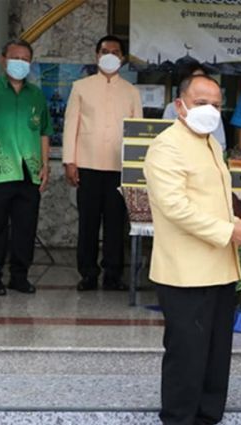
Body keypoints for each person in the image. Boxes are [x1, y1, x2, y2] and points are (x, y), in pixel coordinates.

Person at [144, 74, 241, 425]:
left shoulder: (212, 144)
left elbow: (213, 201)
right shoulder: (165, 148)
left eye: (216, 104)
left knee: (217, 357)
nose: (210, 111)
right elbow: (175, 207)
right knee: (186, 357)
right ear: (180, 104)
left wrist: (240, 221)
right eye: (201, 102)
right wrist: (230, 231)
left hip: (219, 267)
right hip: (184, 272)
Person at [62, 35, 143, 291]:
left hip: (119, 168)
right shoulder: (81, 86)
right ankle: (87, 273)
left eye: (115, 51)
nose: (110, 55)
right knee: (88, 222)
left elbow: (137, 131)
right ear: (97, 55)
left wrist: (135, 168)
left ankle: (113, 274)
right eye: (105, 50)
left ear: (123, 58)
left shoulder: (131, 92)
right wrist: (69, 161)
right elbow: (70, 125)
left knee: (115, 224)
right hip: (87, 164)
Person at [0, 39, 53, 296]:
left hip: (29, 172)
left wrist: (45, 166)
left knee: (25, 228)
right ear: (2, 59)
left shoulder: (37, 94)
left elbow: (44, 132)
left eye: (25, 59)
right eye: (14, 57)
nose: (19, 63)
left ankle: (19, 276)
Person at [162, 60, 226, 151]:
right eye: (200, 103)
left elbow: (220, 144)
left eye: (216, 105)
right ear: (179, 106)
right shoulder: (171, 109)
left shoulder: (213, 111)